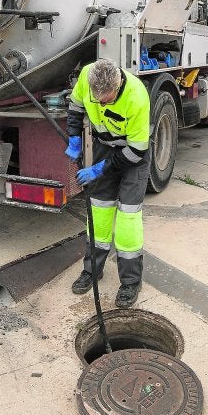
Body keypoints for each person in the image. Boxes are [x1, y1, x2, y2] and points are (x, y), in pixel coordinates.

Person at [65, 58, 150, 308]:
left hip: (132, 155)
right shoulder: (87, 77)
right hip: (105, 147)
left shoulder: (137, 97)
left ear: (119, 83)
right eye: (97, 98)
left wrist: (100, 169)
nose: (101, 103)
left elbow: (137, 152)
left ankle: (131, 282)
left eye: (107, 99)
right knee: (99, 211)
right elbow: (76, 107)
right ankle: (92, 271)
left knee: (128, 218)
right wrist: (74, 137)